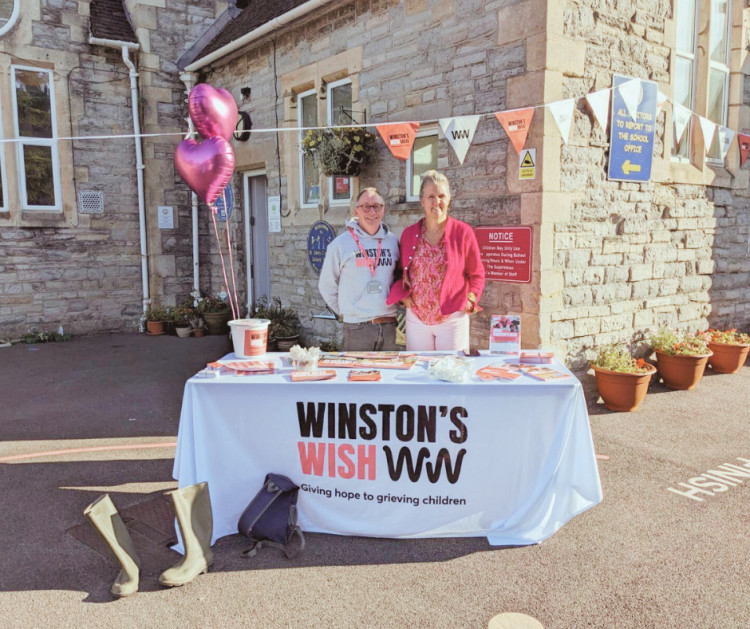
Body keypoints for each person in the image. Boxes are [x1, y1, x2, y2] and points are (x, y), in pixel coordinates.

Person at [387, 170, 485, 351]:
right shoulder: (409, 234)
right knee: (419, 373)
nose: (436, 202)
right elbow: (401, 272)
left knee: (452, 372)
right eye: (430, 196)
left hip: (452, 319)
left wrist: (469, 301)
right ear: (422, 201)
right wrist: (404, 298)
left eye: (441, 196)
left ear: (448, 199)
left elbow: (477, 274)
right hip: (417, 319)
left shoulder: (463, 232)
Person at [319, 187, 400, 351]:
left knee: (388, 374)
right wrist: (348, 311)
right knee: (357, 375)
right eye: (366, 206)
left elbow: (400, 277)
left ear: (383, 210)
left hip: (389, 325)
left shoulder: (393, 242)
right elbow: (326, 285)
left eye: (376, 206)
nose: (372, 211)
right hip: (357, 328)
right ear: (357, 211)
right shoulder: (340, 245)